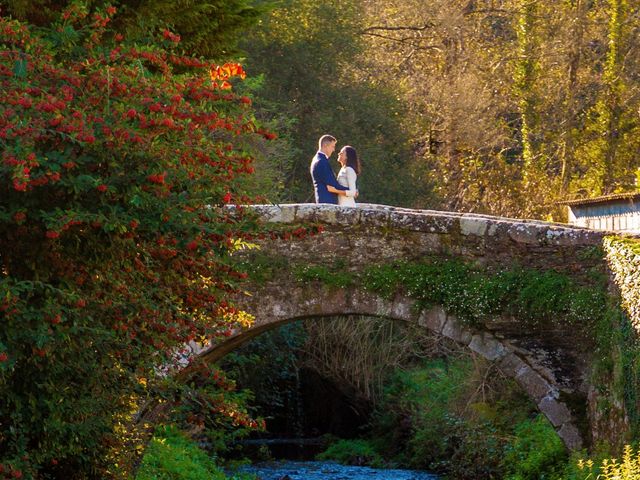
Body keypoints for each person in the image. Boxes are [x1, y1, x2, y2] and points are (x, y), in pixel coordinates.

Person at [310, 134, 350, 204]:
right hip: (327, 201)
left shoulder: (317, 159)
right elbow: (332, 184)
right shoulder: (321, 161)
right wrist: (350, 191)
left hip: (323, 200)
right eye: (332, 146)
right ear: (325, 145)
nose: (334, 150)